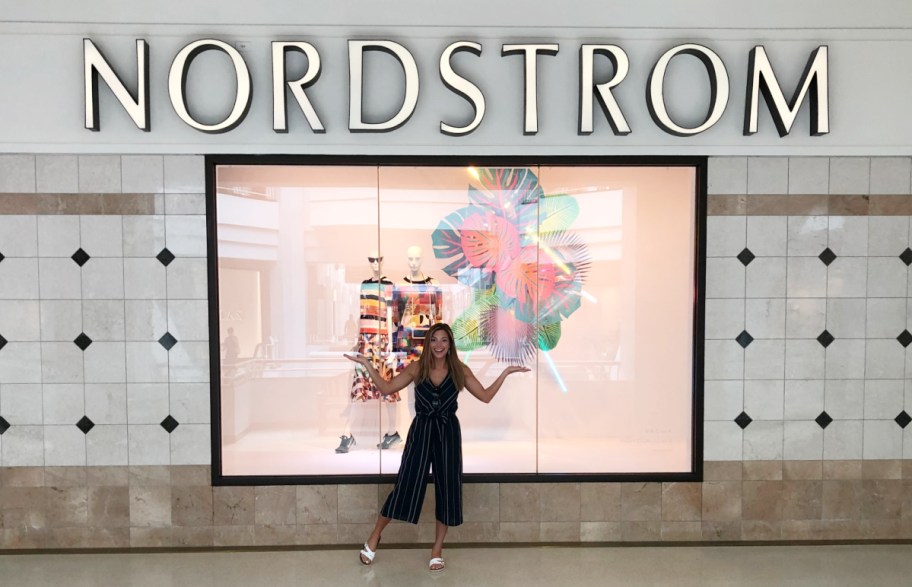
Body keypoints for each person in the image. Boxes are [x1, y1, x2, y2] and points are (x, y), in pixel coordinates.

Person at [344, 322, 529, 572]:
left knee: (447, 489)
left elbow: (485, 396)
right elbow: (386, 388)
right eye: (434, 340)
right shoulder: (417, 368)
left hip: (448, 433)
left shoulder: (459, 370)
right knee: (405, 485)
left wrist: (505, 373)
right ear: (428, 343)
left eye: (444, 340)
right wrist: (367, 365)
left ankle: (437, 550)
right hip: (420, 432)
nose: (439, 345)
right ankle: (375, 536)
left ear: (450, 344)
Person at [338, 250, 401, 453]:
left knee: (388, 388)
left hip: (382, 343)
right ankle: (348, 435)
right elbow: (362, 315)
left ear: (383, 260)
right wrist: (358, 341)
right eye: (371, 260)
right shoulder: (364, 285)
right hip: (366, 342)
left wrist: (392, 348)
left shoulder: (389, 285)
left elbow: (392, 317)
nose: (375, 263)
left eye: (378, 259)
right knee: (359, 388)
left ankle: (392, 432)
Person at [385, 245, 444, 449]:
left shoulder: (433, 284)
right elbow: (395, 320)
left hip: (428, 344)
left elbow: (439, 318)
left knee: (431, 387)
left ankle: (432, 433)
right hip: (406, 344)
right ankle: (417, 433)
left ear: (422, 259)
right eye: (410, 259)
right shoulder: (399, 286)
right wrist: (393, 349)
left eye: (416, 259)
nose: (413, 263)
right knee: (411, 391)